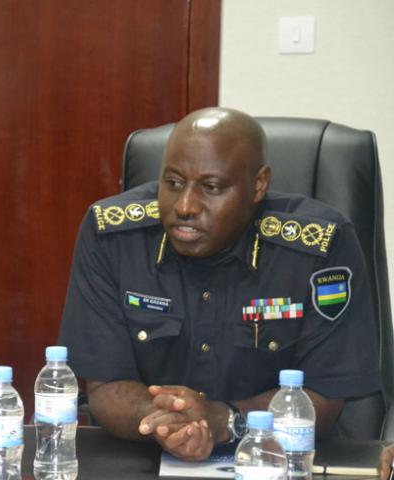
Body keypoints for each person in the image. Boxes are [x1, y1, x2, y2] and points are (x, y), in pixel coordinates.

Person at [58, 107, 381, 461]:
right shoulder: (112, 237)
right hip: (144, 467)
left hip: (280, 466)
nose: (184, 206)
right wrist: (168, 424)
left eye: (211, 188)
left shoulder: (320, 248)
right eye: (173, 183)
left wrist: (227, 420)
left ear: (258, 185)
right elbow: (105, 386)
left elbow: (323, 396)